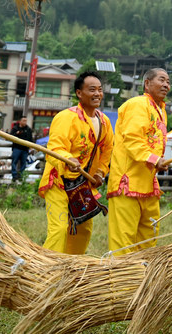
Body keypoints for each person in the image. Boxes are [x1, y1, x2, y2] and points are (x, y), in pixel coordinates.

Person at [39, 71, 113, 255]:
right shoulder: (66, 117)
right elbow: (54, 147)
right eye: (92, 90)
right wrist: (67, 158)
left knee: (83, 230)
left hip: (83, 186)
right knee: (59, 229)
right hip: (59, 182)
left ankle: (73, 269)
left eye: (100, 90)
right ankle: (46, 270)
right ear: (79, 93)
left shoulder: (104, 121)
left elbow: (107, 151)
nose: (97, 94)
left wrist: (100, 173)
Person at [106, 68, 170, 254]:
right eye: (161, 80)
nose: (166, 85)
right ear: (147, 83)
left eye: (168, 81)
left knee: (148, 238)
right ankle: (122, 283)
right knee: (124, 241)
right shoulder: (137, 104)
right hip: (129, 181)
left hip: (148, 183)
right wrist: (155, 159)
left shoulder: (160, 110)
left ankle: (141, 279)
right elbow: (133, 140)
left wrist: (157, 161)